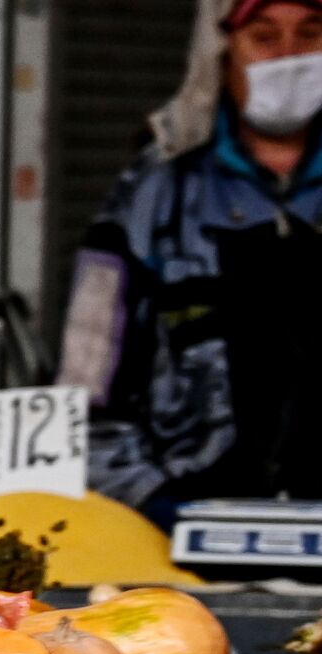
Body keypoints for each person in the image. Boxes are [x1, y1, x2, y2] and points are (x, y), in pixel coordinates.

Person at [58, 0, 322, 523]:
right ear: (222, 53)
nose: (287, 57)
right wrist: (153, 502)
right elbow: (84, 388)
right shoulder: (151, 191)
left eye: (311, 34)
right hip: (182, 537)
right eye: (264, 38)